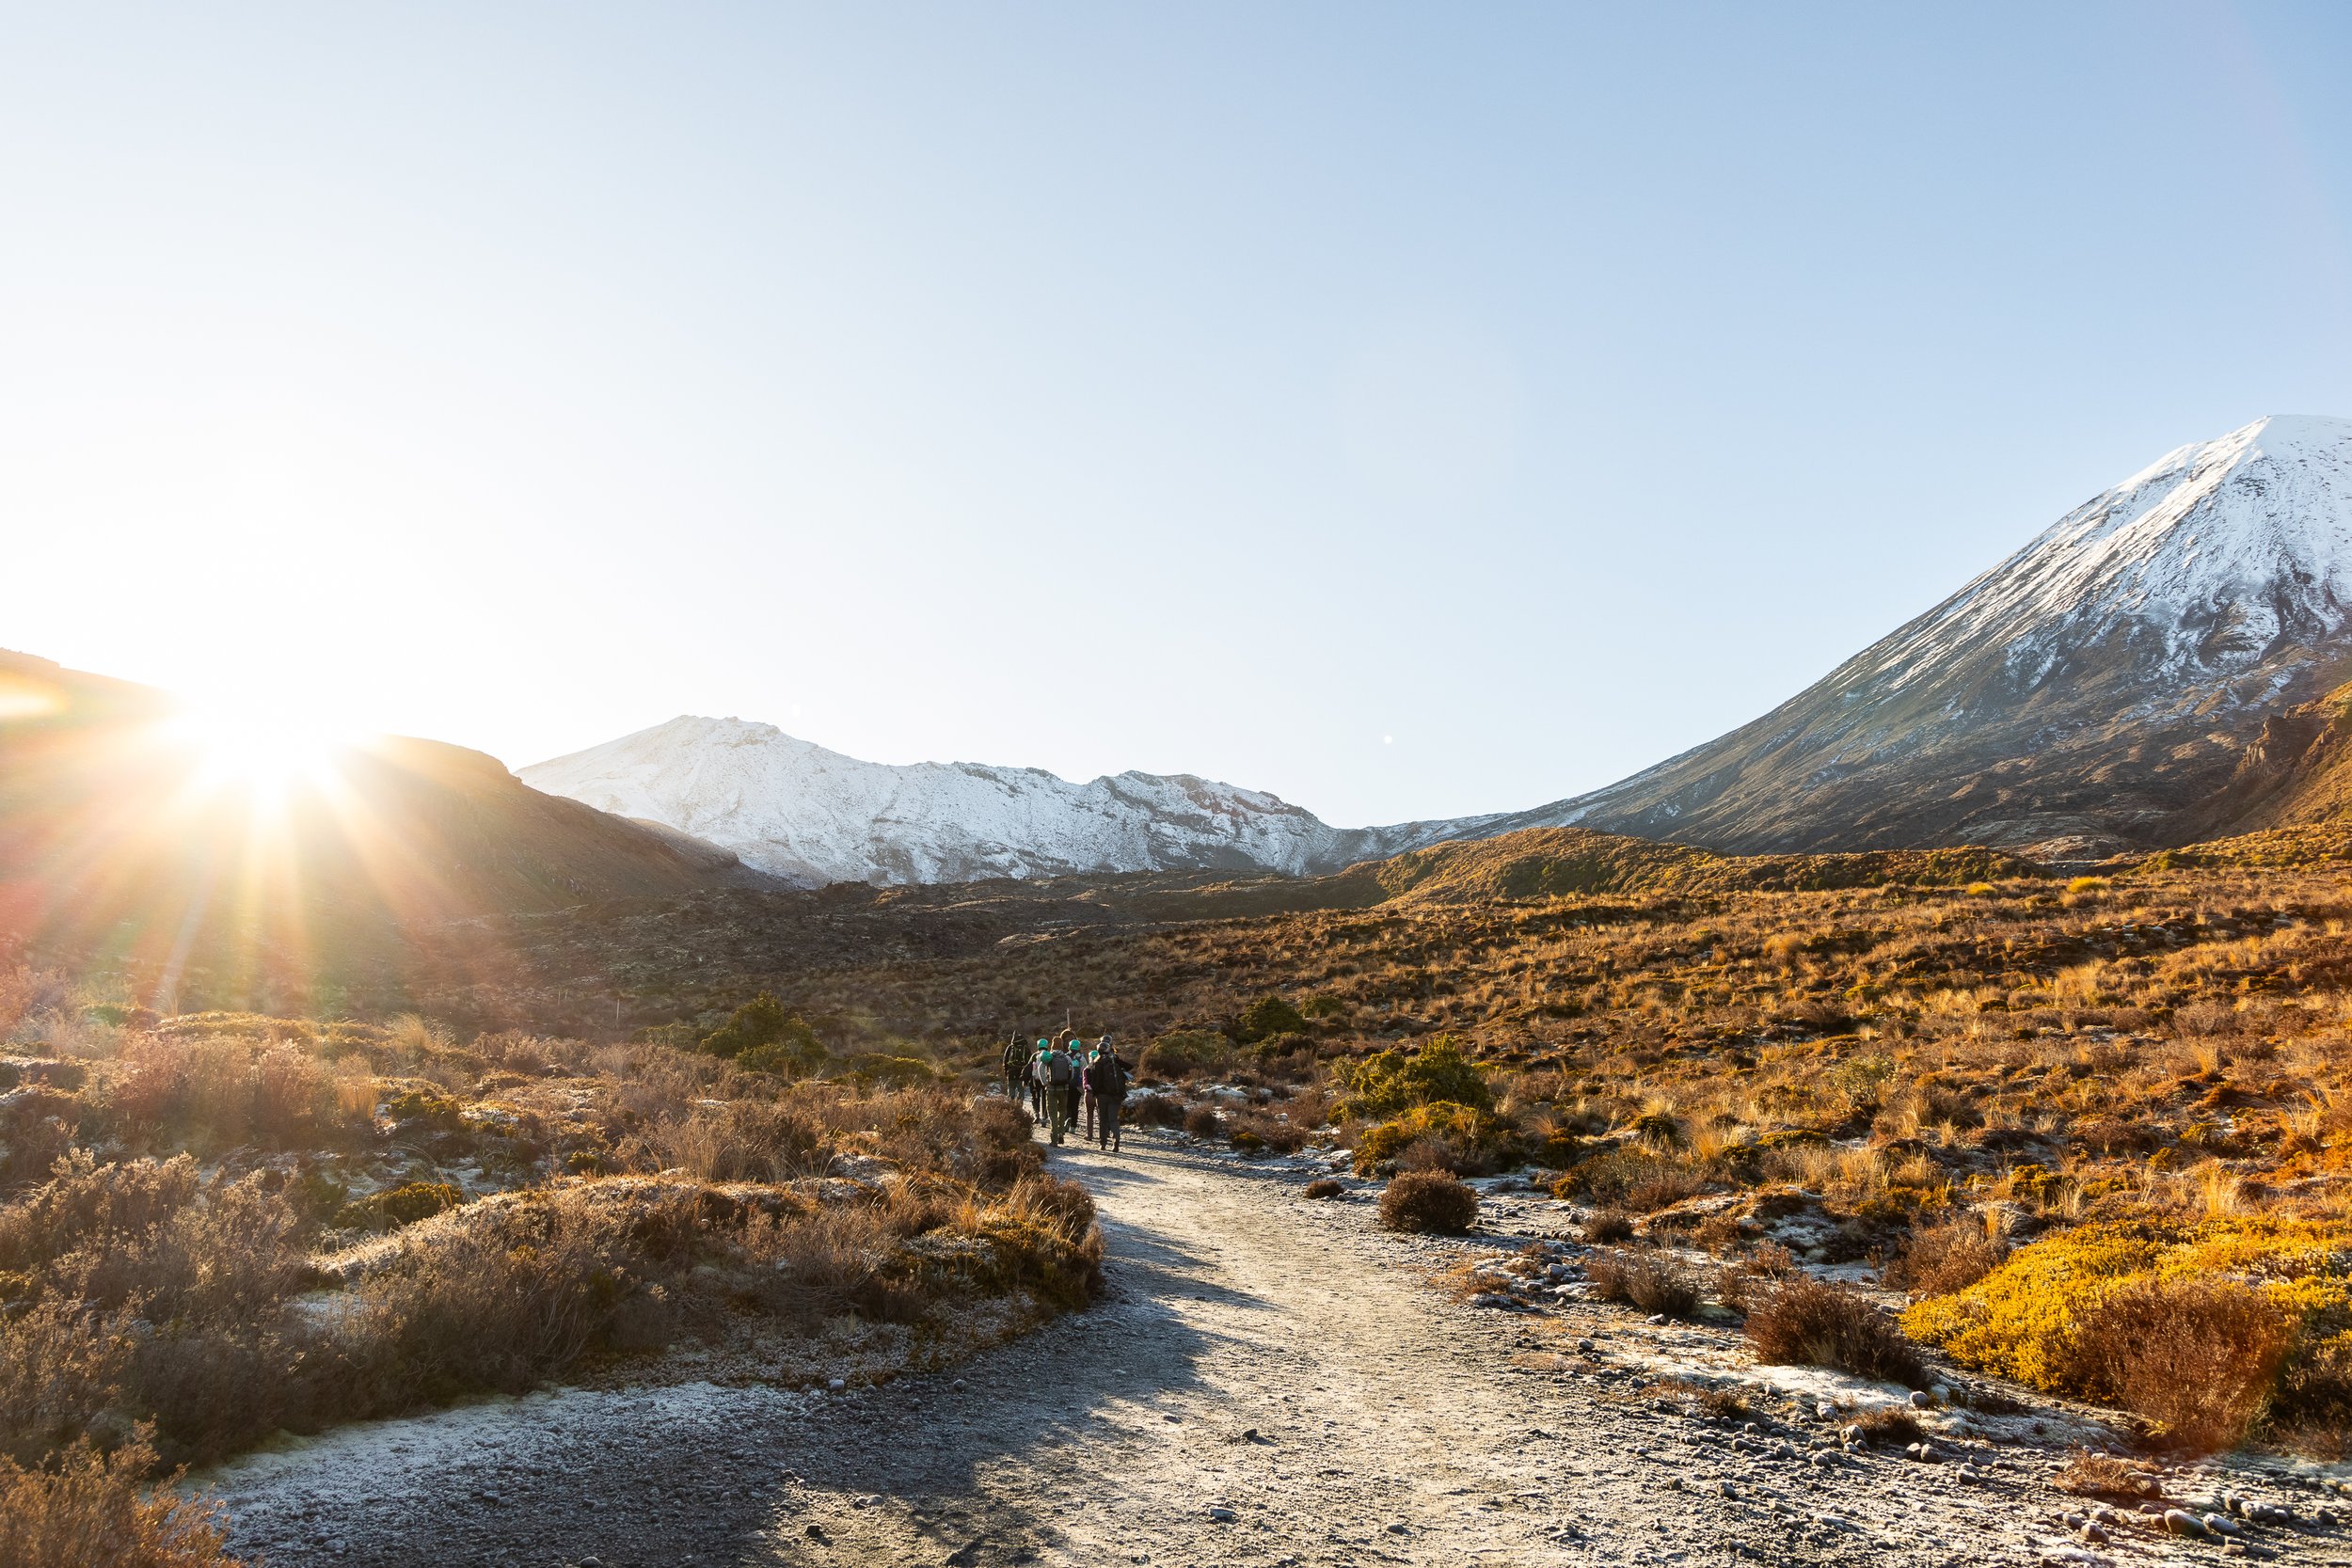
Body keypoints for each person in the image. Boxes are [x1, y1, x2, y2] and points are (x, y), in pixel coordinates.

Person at [1084, 1037, 1129, 1152]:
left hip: (1102, 1096)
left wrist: (1095, 1092)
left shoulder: (1097, 1062)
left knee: (1103, 1120)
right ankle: (1116, 1142)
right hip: (1116, 1095)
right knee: (1114, 1120)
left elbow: (1094, 1080)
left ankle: (1103, 1144)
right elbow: (1130, 1067)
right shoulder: (1115, 1060)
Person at [1034, 1041, 1074, 1145]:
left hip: (1051, 1089)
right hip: (1064, 1089)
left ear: (1051, 1047)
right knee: (1062, 1112)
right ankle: (1061, 1133)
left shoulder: (1049, 1057)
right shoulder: (1067, 1058)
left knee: (1052, 1113)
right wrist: (1067, 1082)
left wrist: (1045, 1083)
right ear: (1062, 1047)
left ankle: (1054, 1137)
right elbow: (1072, 1073)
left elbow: (1040, 1068)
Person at [1000, 1032, 1032, 1105]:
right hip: (1022, 1073)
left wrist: (1006, 1072)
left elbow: (1005, 1061)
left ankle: (1012, 1108)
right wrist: (1028, 1075)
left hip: (1011, 1072)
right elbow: (1030, 1062)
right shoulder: (1026, 1048)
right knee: (1021, 1090)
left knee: (1011, 1090)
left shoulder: (1010, 1047)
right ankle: (1019, 1107)